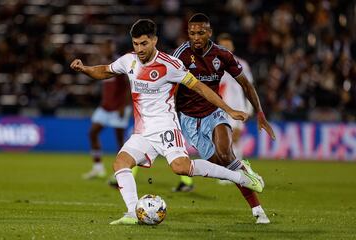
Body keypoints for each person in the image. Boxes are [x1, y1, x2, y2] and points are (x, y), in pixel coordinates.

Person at [70, 19, 264, 225]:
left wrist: (229, 109)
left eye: (144, 43)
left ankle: (240, 177)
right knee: (120, 163)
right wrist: (85, 69)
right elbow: (105, 70)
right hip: (143, 132)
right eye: (136, 44)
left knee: (181, 168)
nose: (139, 49)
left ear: (154, 40)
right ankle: (132, 213)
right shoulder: (129, 60)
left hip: (166, 128)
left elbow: (200, 88)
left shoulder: (170, 65)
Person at [172, 13, 275, 224]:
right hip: (189, 119)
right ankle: (243, 170)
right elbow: (169, 86)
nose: (196, 37)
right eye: (192, 33)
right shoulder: (180, 55)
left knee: (226, 154)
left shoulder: (222, 55)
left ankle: (258, 211)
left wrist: (261, 114)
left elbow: (246, 84)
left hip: (214, 111)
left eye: (201, 33)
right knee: (222, 168)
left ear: (209, 33)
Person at [217, 33, 254, 184]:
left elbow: (249, 87)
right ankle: (235, 173)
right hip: (220, 108)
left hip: (237, 107)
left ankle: (235, 173)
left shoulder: (242, 64)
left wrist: (249, 108)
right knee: (224, 141)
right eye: (222, 45)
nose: (225, 47)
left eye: (228, 45)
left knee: (234, 139)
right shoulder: (213, 64)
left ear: (232, 46)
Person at [82, 74, 133, 180]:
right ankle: (98, 168)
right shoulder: (104, 65)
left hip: (119, 108)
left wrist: (124, 105)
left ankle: (121, 172)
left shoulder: (119, 66)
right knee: (92, 133)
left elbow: (129, 86)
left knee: (119, 140)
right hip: (105, 107)